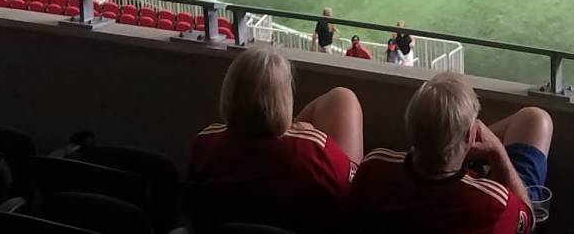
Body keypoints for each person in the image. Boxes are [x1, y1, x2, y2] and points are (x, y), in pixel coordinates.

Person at [186, 44, 361, 233]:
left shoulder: (205, 145)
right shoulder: (314, 153)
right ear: (284, 98)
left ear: (229, 92)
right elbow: (353, 192)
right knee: (344, 98)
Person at [348, 72, 550, 234]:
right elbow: (527, 220)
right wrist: (496, 150)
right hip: (482, 199)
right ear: (471, 135)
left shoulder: (374, 167)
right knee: (536, 120)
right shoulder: (495, 204)